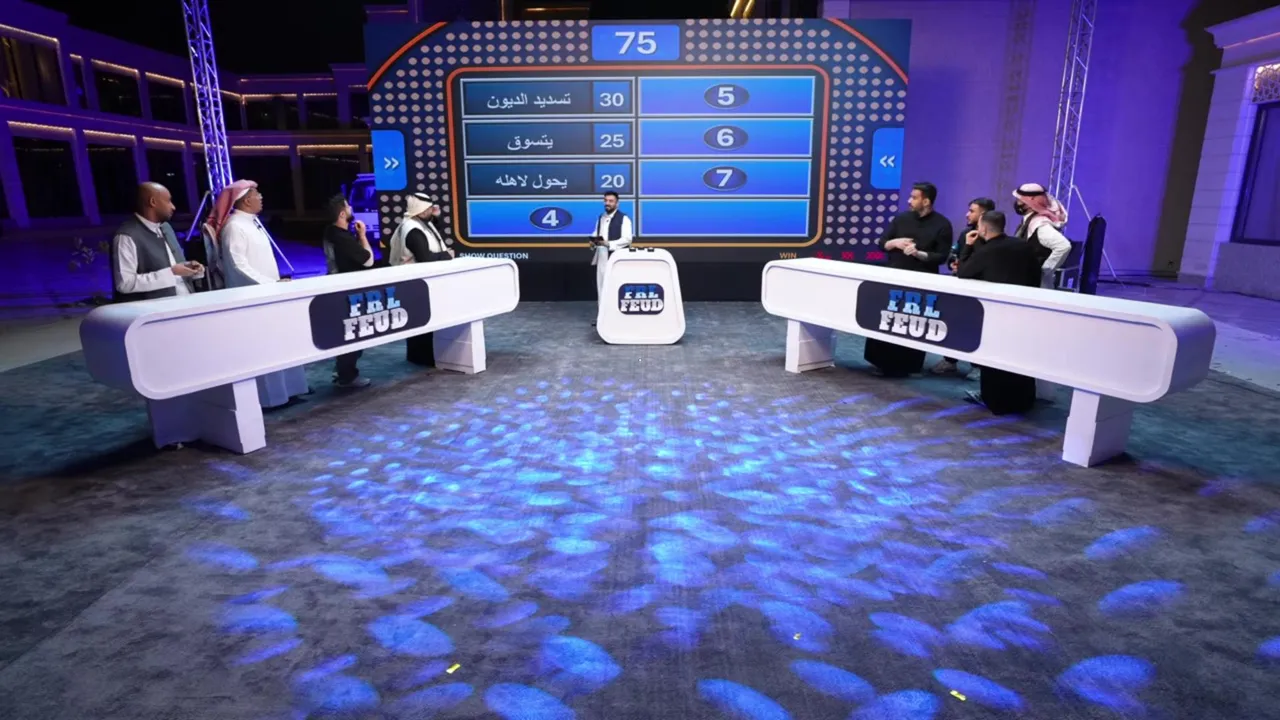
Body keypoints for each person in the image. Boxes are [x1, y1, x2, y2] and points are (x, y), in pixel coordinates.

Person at [210, 179, 309, 408]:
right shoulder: (235, 226)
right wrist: (269, 284)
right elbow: (238, 264)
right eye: (258, 194)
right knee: (264, 348)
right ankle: (273, 398)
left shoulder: (251, 223)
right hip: (252, 297)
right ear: (246, 200)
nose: (261, 198)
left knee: (281, 343)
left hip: (268, 294)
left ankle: (291, 390)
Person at [957, 210, 1042, 414]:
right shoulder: (1023, 246)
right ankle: (1023, 400)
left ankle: (996, 400)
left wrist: (968, 246)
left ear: (984, 229)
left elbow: (963, 272)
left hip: (996, 314)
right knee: (1020, 356)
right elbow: (1036, 274)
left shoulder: (987, 251)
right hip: (1024, 312)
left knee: (995, 356)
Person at [867, 182, 954, 376]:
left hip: (921, 281)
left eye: (914, 197)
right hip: (894, 276)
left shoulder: (942, 224)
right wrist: (894, 243)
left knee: (914, 323)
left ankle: (910, 366)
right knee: (887, 320)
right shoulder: (901, 219)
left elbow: (941, 256)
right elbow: (882, 243)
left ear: (926, 201)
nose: (909, 201)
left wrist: (918, 253)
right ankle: (881, 363)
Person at [387, 192, 452, 366]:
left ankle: (422, 355)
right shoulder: (413, 230)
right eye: (429, 209)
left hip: (422, 283)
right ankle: (421, 357)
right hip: (415, 283)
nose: (432, 211)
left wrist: (435, 214)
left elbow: (434, 228)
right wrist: (446, 255)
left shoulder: (419, 223)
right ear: (422, 211)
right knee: (420, 321)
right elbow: (425, 258)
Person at [110, 182, 203, 302]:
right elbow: (125, 283)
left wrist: (190, 268)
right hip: (155, 309)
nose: (173, 207)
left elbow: (173, 265)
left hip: (185, 302)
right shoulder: (127, 236)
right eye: (168, 201)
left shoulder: (166, 228)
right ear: (153, 202)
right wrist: (171, 273)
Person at [934, 196, 995, 376]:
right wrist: (954, 263)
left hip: (981, 289)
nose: (967, 214)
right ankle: (950, 360)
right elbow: (955, 253)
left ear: (983, 215)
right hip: (960, 285)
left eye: (972, 211)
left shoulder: (993, 237)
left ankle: (977, 366)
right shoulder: (965, 233)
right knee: (953, 322)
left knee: (977, 327)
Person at [322, 194, 374, 388]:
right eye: (348, 206)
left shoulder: (331, 232)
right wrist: (363, 236)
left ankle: (343, 371)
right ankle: (347, 374)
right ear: (343, 214)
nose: (351, 208)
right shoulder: (341, 237)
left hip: (339, 286)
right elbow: (368, 260)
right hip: (346, 290)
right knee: (352, 334)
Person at [1012, 183, 1072, 288]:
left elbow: (1064, 246)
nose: (1017, 203)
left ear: (1029, 203)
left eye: (1019, 200)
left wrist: (1045, 271)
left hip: (1037, 285)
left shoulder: (1040, 224)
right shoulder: (1029, 220)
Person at [590, 190, 633, 298]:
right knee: (601, 287)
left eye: (610, 201)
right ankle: (602, 309)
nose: (607, 203)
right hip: (602, 257)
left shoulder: (624, 218)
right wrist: (593, 241)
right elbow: (596, 232)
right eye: (605, 200)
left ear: (617, 203)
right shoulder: (601, 217)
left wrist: (608, 244)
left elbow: (627, 239)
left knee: (615, 286)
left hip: (617, 259)